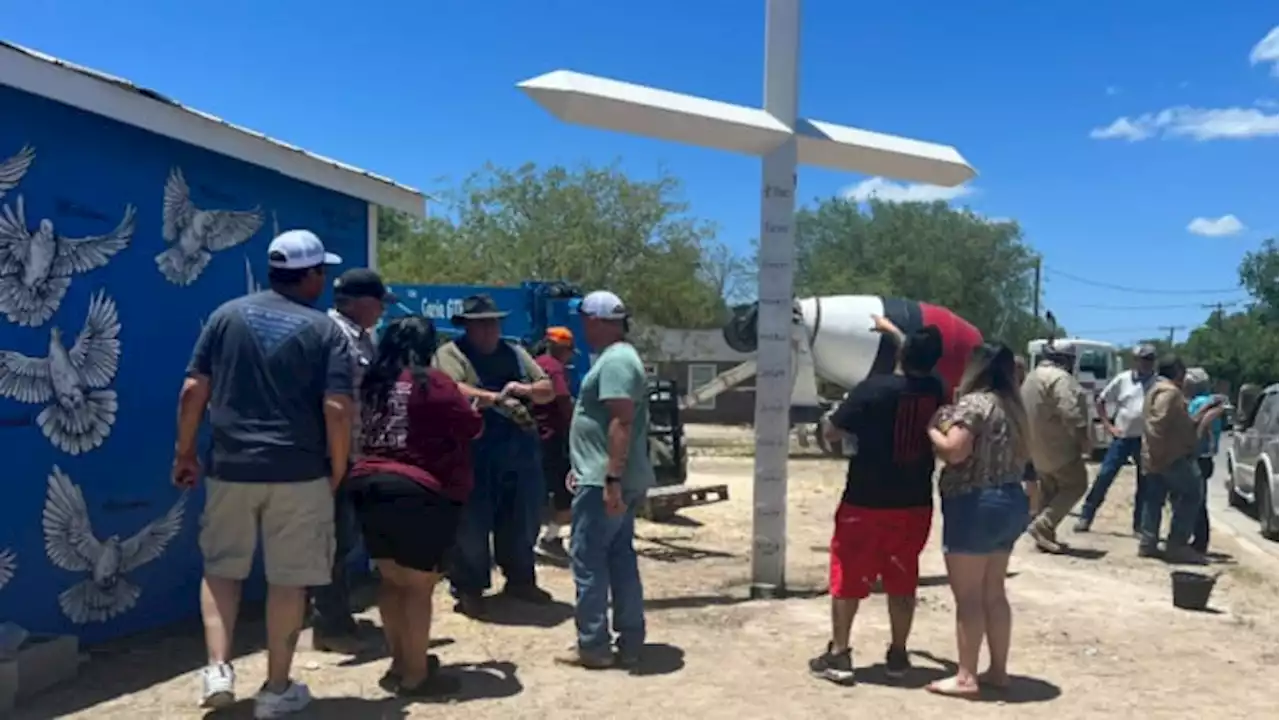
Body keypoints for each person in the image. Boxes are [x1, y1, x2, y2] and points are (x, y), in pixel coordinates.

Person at [172, 230, 351, 717]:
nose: (326, 281)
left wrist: (185, 452)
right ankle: (275, 689)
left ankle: (217, 669)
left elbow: (193, 390)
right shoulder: (325, 331)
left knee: (222, 569)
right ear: (310, 274)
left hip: (230, 468)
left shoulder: (225, 317)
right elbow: (337, 407)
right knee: (289, 580)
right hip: (299, 473)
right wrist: (338, 467)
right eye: (323, 272)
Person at [348, 316, 483, 697]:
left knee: (391, 580)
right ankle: (417, 674)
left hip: (367, 482)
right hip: (417, 487)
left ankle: (400, 662)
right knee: (419, 585)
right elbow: (470, 426)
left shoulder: (373, 382)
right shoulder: (432, 381)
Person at [808, 316, 946, 686]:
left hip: (865, 500)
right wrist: (895, 332)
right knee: (903, 578)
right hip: (914, 501)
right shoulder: (937, 389)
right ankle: (898, 654)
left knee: (848, 575)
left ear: (902, 354)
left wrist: (823, 428)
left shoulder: (872, 390)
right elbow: (916, 365)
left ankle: (840, 654)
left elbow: (834, 429)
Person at [433, 294, 556, 616]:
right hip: (474, 450)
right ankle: (469, 587)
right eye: (481, 325)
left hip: (519, 451)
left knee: (523, 518)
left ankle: (520, 579)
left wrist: (523, 391)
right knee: (472, 524)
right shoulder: (450, 353)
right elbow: (450, 388)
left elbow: (547, 389)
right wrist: (494, 399)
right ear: (467, 327)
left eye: (493, 323)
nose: (489, 330)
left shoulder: (516, 353)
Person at [926, 343, 1032, 698]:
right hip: (1010, 501)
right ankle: (998, 670)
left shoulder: (975, 404)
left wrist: (933, 431)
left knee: (968, 597)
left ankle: (966, 675)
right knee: (994, 592)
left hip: (975, 502)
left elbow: (956, 450)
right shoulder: (1014, 408)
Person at [556, 291, 655, 670]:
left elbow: (621, 420)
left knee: (589, 560)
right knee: (618, 558)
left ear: (597, 321)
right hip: (602, 476)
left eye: (584, 320)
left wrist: (610, 477)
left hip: (605, 482)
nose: (581, 327)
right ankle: (630, 640)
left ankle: (593, 645)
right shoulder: (619, 359)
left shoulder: (615, 362)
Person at [310, 268, 395, 655]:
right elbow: (333, 404)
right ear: (361, 303)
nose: (381, 312)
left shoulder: (365, 337)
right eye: (378, 303)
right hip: (334, 458)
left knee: (344, 543)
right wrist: (338, 461)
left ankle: (337, 617)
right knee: (334, 543)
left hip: (359, 455)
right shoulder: (333, 335)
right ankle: (330, 626)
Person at [1140, 356, 1222, 563]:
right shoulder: (1169, 393)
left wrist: (1203, 413)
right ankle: (1177, 545)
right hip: (1170, 457)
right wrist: (1162, 455)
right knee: (1192, 493)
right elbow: (1159, 424)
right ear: (1177, 372)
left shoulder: (1155, 389)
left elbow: (1179, 424)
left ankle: (1148, 543)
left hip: (1157, 455)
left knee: (1154, 499)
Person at [1074, 344, 1158, 534]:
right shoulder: (1123, 380)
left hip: (1145, 440)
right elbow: (1100, 400)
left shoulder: (1157, 383)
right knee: (1105, 475)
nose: (1146, 363)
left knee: (1145, 482)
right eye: (1143, 359)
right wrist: (1108, 426)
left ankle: (1139, 526)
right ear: (1135, 360)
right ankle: (1086, 516)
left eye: (1150, 360)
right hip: (1122, 437)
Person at [1022, 343, 1091, 554]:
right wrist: (1083, 440)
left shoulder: (1031, 377)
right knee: (1076, 484)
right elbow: (1070, 413)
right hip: (1058, 446)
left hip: (1035, 446)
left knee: (1050, 489)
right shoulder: (1060, 379)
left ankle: (1045, 536)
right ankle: (1043, 524)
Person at [534, 326, 578, 558]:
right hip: (553, 438)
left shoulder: (535, 363)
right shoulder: (554, 368)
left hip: (535, 436)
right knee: (566, 492)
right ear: (562, 349)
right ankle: (550, 538)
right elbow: (563, 401)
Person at [1184, 368, 1223, 555]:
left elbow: (1192, 424)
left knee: (1196, 500)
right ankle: (1199, 539)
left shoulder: (1198, 403)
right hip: (1207, 457)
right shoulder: (1210, 401)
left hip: (1198, 456)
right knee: (1199, 499)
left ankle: (1199, 541)